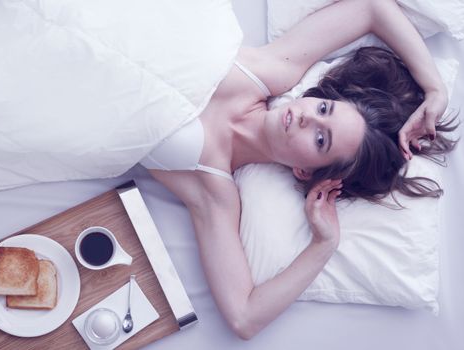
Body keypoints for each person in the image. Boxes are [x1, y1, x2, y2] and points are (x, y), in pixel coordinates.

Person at [140, 0, 457, 339]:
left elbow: (244, 317)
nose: (309, 117)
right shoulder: (273, 68)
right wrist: (435, 88)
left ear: (305, 172)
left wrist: (323, 245)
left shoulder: (214, 192)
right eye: (324, 107)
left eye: (321, 139)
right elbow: (371, 8)